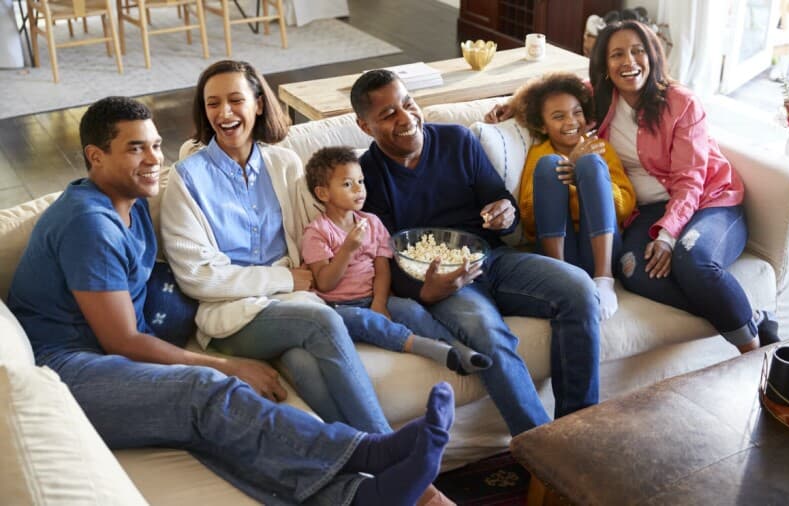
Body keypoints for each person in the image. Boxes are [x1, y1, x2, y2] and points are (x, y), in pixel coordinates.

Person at [6, 96, 456, 506]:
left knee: (219, 432)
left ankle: (361, 496)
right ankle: (371, 450)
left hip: (102, 361)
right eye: (135, 148)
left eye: (156, 145)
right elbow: (122, 339)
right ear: (95, 156)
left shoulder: (133, 202)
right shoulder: (90, 224)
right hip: (65, 370)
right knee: (206, 391)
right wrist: (227, 365)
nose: (153, 160)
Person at [350, 69, 602, 437]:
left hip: (494, 260)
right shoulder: (366, 178)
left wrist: (504, 211)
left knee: (578, 289)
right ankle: (541, 446)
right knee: (486, 333)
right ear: (364, 125)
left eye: (408, 104)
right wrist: (427, 291)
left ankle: (579, 427)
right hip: (443, 283)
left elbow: (497, 198)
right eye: (388, 115)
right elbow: (382, 257)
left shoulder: (457, 140)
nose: (406, 119)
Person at [159, 60, 397, 435]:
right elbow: (197, 278)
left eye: (236, 100)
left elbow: (315, 232)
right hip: (232, 315)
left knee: (302, 365)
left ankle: (365, 461)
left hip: (289, 306)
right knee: (322, 321)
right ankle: (392, 449)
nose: (224, 113)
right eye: (213, 104)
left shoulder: (284, 164)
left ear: (257, 103)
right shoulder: (187, 177)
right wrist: (284, 278)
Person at [588, 20, 778, 352]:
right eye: (617, 54)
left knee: (692, 259)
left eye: (638, 51)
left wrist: (667, 237)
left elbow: (691, 181)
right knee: (632, 270)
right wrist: (515, 107)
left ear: (652, 55)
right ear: (605, 66)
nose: (629, 62)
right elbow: (555, 92)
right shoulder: (600, 101)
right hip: (648, 212)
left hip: (710, 202)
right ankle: (751, 314)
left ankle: (753, 355)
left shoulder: (681, 103)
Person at [302, 146, 492, 374]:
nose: (359, 189)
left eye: (361, 182)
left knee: (411, 310)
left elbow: (382, 268)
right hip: (337, 307)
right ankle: (432, 349)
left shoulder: (371, 222)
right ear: (323, 194)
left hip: (372, 297)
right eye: (347, 184)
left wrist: (380, 303)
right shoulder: (317, 232)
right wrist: (348, 250)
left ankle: (460, 350)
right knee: (366, 321)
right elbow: (324, 283)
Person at [511, 73, 636, 321]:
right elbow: (529, 215)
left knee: (590, 163)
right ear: (542, 125)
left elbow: (623, 207)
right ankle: (560, 279)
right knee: (550, 165)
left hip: (600, 247)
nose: (571, 121)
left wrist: (582, 180)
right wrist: (567, 169)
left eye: (576, 112)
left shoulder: (600, 148)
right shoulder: (540, 154)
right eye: (558, 116)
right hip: (559, 250)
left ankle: (604, 279)